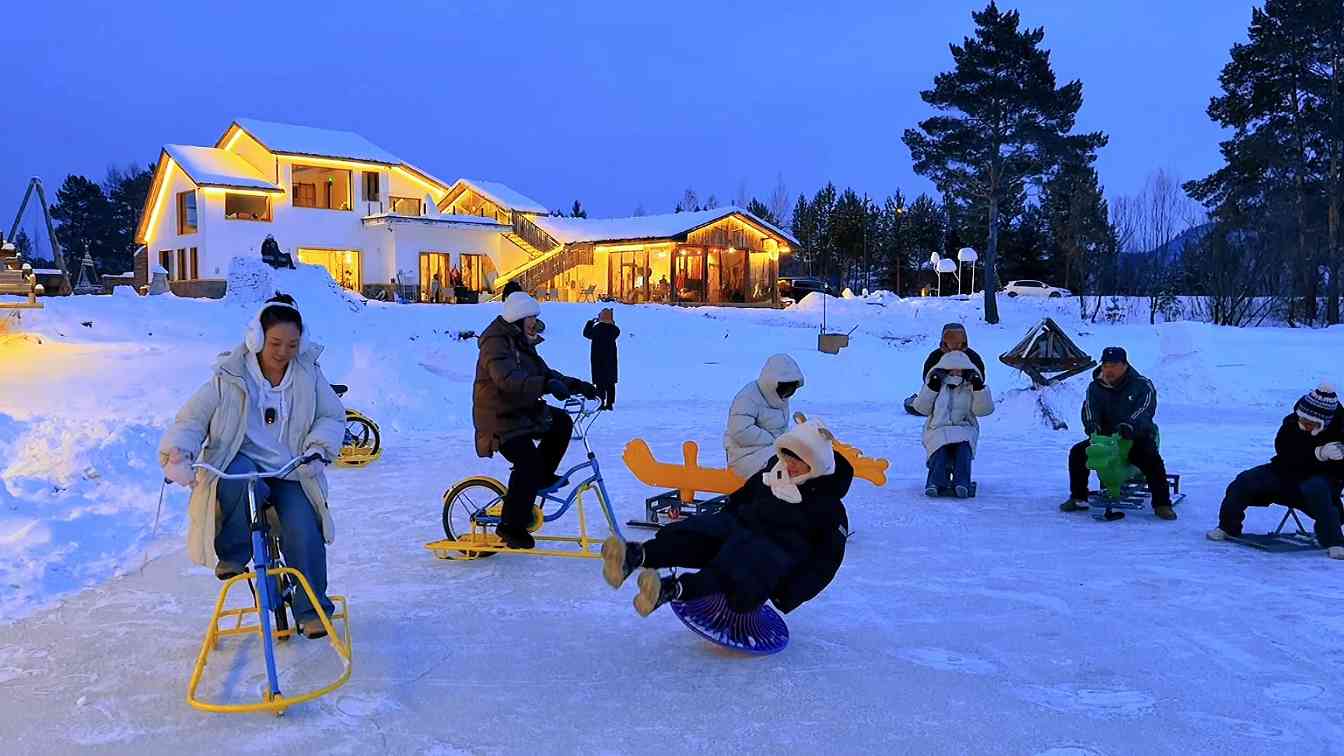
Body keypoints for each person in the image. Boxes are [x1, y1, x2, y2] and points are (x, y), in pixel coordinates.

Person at [159, 294, 345, 638]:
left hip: (292, 469)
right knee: (239, 480)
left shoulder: (308, 373)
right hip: (242, 462)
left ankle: (312, 607)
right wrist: (177, 453)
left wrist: (318, 448)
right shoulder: (230, 374)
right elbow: (193, 419)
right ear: (257, 338)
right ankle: (233, 551)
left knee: (304, 528)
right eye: (275, 343)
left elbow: (331, 415)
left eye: (291, 344)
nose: (282, 352)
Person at [601, 418, 852, 617]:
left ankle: (668, 590)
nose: (789, 464)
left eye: (799, 460)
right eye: (787, 455)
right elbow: (742, 498)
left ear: (817, 464)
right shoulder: (772, 473)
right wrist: (718, 525)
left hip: (773, 556)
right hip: (742, 528)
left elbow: (825, 563)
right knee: (696, 534)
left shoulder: (828, 507)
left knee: (737, 564)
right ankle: (635, 556)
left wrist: (786, 594)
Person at [473, 292, 599, 549]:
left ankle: (540, 476)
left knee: (561, 422)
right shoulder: (495, 344)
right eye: (530, 318)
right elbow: (507, 381)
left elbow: (545, 373)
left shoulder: (521, 344)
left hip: (522, 412)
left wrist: (577, 385)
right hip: (499, 418)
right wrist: (545, 385)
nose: (535, 323)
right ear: (517, 320)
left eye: (536, 318)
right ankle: (511, 525)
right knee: (527, 462)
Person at [1208, 384, 1344, 557]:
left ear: (1324, 422)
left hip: (1318, 482)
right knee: (1243, 481)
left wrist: (1336, 461)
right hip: (1283, 473)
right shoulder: (1292, 422)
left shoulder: (1341, 431)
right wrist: (1318, 453)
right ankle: (1228, 527)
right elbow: (1284, 450)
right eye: (1302, 421)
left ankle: (1333, 541)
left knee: (1316, 488)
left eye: (1311, 424)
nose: (1304, 425)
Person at [1059, 346, 1175, 519]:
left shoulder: (1142, 385)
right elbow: (1090, 408)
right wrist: (1092, 426)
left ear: (1124, 365)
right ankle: (1078, 497)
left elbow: (1145, 409)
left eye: (1114, 365)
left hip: (1135, 435)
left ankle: (1162, 504)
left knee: (1150, 457)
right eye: (1106, 365)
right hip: (1106, 436)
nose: (1109, 370)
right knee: (1078, 453)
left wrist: (1130, 425)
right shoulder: (1095, 387)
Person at [911, 350, 995, 498]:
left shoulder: (970, 386)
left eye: (960, 369)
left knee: (963, 447)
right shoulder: (938, 384)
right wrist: (932, 388)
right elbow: (921, 408)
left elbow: (983, 410)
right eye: (952, 368)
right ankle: (936, 483)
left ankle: (962, 483)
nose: (956, 372)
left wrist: (979, 389)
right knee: (940, 447)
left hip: (964, 427)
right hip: (937, 427)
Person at [724, 354, 805, 478]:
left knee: (802, 459)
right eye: (785, 388)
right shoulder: (748, 397)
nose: (787, 394)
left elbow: (780, 429)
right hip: (744, 456)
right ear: (773, 383)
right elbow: (740, 431)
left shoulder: (778, 398)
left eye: (791, 389)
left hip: (770, 451)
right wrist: (775, 441)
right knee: (786, 465)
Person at [904, 322, 987, 415]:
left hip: (965, 397)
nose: (954, 342)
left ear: (964, 340)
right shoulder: (935, 356)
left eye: (958, 338)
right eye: (950, 337)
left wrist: (972, 379)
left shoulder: (972, 357)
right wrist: (936, 379)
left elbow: (980, 379)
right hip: (940, 396)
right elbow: (926, 379)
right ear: (944, 339)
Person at [582, 308, 620, 410]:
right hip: (611, 359)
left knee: (600, 382)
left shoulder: (597, 329)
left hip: (598, 358)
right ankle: (610, 403)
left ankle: (601, 402)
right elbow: (617, 331)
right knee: (610, 382)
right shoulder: (614, 330)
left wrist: (590, 322)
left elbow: (586, 333)